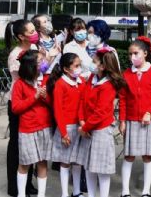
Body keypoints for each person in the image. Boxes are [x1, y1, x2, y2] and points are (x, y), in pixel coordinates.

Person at [76, 47, 126, 197]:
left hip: (101, 130)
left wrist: (86, 127)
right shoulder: (92, 78)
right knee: (89, 167)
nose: (91, 64)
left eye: (94, 61)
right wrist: (82, 120)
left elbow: (101, 112)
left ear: (103, 66)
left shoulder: (108, 85)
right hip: (87, 127)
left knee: (102, 169)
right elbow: (83, 99)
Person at [119, 37, 151, 197]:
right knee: (129, 155)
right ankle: (125, 190)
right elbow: (123, 98)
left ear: (145, 53)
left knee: (147, 156)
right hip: (131, 120)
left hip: (149, 121)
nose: (133, 57)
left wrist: (149, 112)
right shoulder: (126, 73)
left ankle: (146, 191)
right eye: (130, 54)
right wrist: (122, 120)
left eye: (136, 53)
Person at [5, 19, 39, 197]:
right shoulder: (16, 55)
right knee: (17, 145)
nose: (35, 33)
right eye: (31, 30)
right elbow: (25, 77)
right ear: (20, 36)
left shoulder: (32, 50)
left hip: (32, 101)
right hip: (19, 102)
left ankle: (28, 184)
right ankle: (15, 186)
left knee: (31, 143)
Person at [11, 49, 51, 197]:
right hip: (28, 129)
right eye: (40, 61)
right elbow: (15, 107)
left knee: (42, 162)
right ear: (30, 65)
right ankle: (21, 194)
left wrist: (46, 97)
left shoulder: (46, 79)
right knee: (25, 163)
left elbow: (53, 104)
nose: (44, 63)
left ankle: (41, 194)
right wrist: (34, 96)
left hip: (45, 127)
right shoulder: (19, 84)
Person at [47, 53, 85, 197]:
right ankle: (64, 193)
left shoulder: (81, 81)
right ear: (66, 69)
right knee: (65, 162)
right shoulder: (60, 85)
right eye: (76, 66)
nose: (79, 68)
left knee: (77, 162)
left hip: (79, 127)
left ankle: (76, 192)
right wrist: (63, 133)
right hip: (67, 128)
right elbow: (58, 111)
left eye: (79, 65)